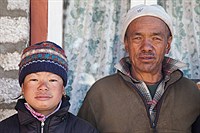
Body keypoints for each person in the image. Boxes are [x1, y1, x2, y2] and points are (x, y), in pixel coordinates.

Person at [77, 4, 200, 132]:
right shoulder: (100, 93)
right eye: (137, 38)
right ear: (126, 43)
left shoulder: (190, 92)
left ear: (168, 44)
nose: (146, 47)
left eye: (156, 38)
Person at [0, 41, 98, 133]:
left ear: (63, 88)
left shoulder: (85, 130)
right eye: (34, 80)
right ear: (23, 87)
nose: (43, 87)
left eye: (52, 80)